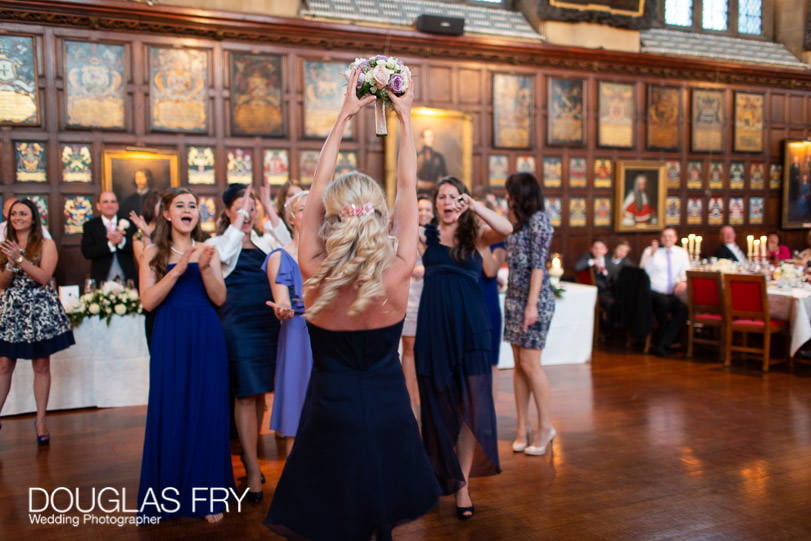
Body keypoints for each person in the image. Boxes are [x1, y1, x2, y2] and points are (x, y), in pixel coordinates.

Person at [264, 67, 439, 540]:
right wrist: (403, 116)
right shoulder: (400, 267)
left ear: (331, 218)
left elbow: (315, 192)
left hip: (329, 410)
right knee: (382, 505)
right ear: (379, 213)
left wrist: (344, 114)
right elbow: (408, 189)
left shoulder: (313, 269)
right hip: (387, 409)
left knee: (333, 509)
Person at [415, 175, 512, 518]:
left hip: (472, 327)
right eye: (441, 196)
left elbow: (506, 228)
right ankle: (439, 474)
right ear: (435, 203)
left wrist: (476, 205)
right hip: (434, 327)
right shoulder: (424, 236)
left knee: (471, 404)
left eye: (454, 197)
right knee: (438, 402)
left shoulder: (476, 236)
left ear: (462, 202)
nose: (446, 202)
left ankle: (463, 486)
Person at [137, 188, 233, 523]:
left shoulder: (210, 248)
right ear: (166, 214)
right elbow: (147, 302)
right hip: (170, 334)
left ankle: (209, 495)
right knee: (172, 405)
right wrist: (176, 271)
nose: (188, 209)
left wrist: (205, 268)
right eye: (180, 205)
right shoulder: (152, 252)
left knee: (208, 408)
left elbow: (220, 299)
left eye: (193, 205)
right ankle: (166, 496)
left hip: (206, 333)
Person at [205, 182, 291, 503]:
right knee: (244, 392)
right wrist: (236, 227)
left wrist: (269, 208)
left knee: (258, 396)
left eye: (251, 207)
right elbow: (225, 257)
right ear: (227, 211)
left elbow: (289, 245)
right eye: (241, 206)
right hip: (236, 323)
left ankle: (248, 454)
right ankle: (253, 469)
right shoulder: (217, 242)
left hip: (267, 321)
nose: (248, 212)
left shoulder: (266, 240)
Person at [0, 199, 74, 444]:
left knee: (41, 365)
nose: (18, 217)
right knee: (3, 365)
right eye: (14, 214)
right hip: (12, 308)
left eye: (23, 213)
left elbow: (44, 277)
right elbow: (1, 284)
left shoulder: (46, 243)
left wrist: (20, 260)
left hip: (39, 309)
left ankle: (40, 418)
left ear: (33, 218)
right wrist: (10, 264)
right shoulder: (4, 245)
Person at [502, 172, 556, 458]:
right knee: (518, 365)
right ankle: (522, 428)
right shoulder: (516, 223)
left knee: (531, 363)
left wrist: (531, 306)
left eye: (509, 192)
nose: (506, 196)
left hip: (535, 300)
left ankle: (545, 427)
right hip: (513, 298)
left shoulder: (539, 221)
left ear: (521, 193)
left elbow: (538, 266)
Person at [262, 191, 312, 456]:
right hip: (297, 333)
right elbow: (281, 299)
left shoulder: (332, 255)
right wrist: (282, 310)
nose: (311, 214)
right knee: (297, 406)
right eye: (303, 209)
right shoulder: (279, 258)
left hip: (330, 333)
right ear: (291, 218)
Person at [401, 194, 434, 421]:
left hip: (432, 296)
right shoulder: (405, 233)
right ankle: (410, 402)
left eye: (427, 210)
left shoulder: (438, 236)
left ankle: (427, 400)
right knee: (410, 348)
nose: (423, 213)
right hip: (411, 296)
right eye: (419, 209)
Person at [642, 227, 690, 357]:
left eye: (671, 236)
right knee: (662, 308)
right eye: (665, 236)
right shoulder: (652, 251)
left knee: (683, 310)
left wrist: (683, 282)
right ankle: (662, 345)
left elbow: (685, 272)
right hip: (655, 292)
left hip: (672, 293)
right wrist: (651, 255)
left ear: (675, 238)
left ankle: (663, 343)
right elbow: (645, 272)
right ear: (661, 239)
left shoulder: (681, 252)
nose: (668, 239)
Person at [128, 191, 162, 347]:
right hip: (152, 291)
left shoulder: (170, 233)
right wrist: (148, 237)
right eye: (161, 205)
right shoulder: (139, 235)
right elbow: (145, 263)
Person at [81, 191, 137, 284]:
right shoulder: (90, 226)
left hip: (127, 280)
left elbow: (136, 248)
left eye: (113, 201)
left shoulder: (129, 223)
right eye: (105, 202)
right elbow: (87, 252)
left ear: (117, 205)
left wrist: (122, 241)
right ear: (98, 206)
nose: (109, 205)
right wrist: (110, 244)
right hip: (101, 280)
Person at [575, 239, 612, 310]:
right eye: (596, 248)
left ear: (606, 250)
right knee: (610, 303)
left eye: (601, 248)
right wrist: (593, 261)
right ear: (591, 249)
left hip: (609, 289)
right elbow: (577, 267)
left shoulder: (609, 260)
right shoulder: (588, 257)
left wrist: (603, 270)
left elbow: (612, 277)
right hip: (596, 292)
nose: (598, 251)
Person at [416, 128, 447, 193]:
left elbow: (444, 177)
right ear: (422, 139)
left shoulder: (439, 157)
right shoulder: (416, 156)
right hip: (419, 193)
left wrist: (435, 185)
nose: (429, 139)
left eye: (431, 136)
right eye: (426, 137)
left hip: (435, 192)